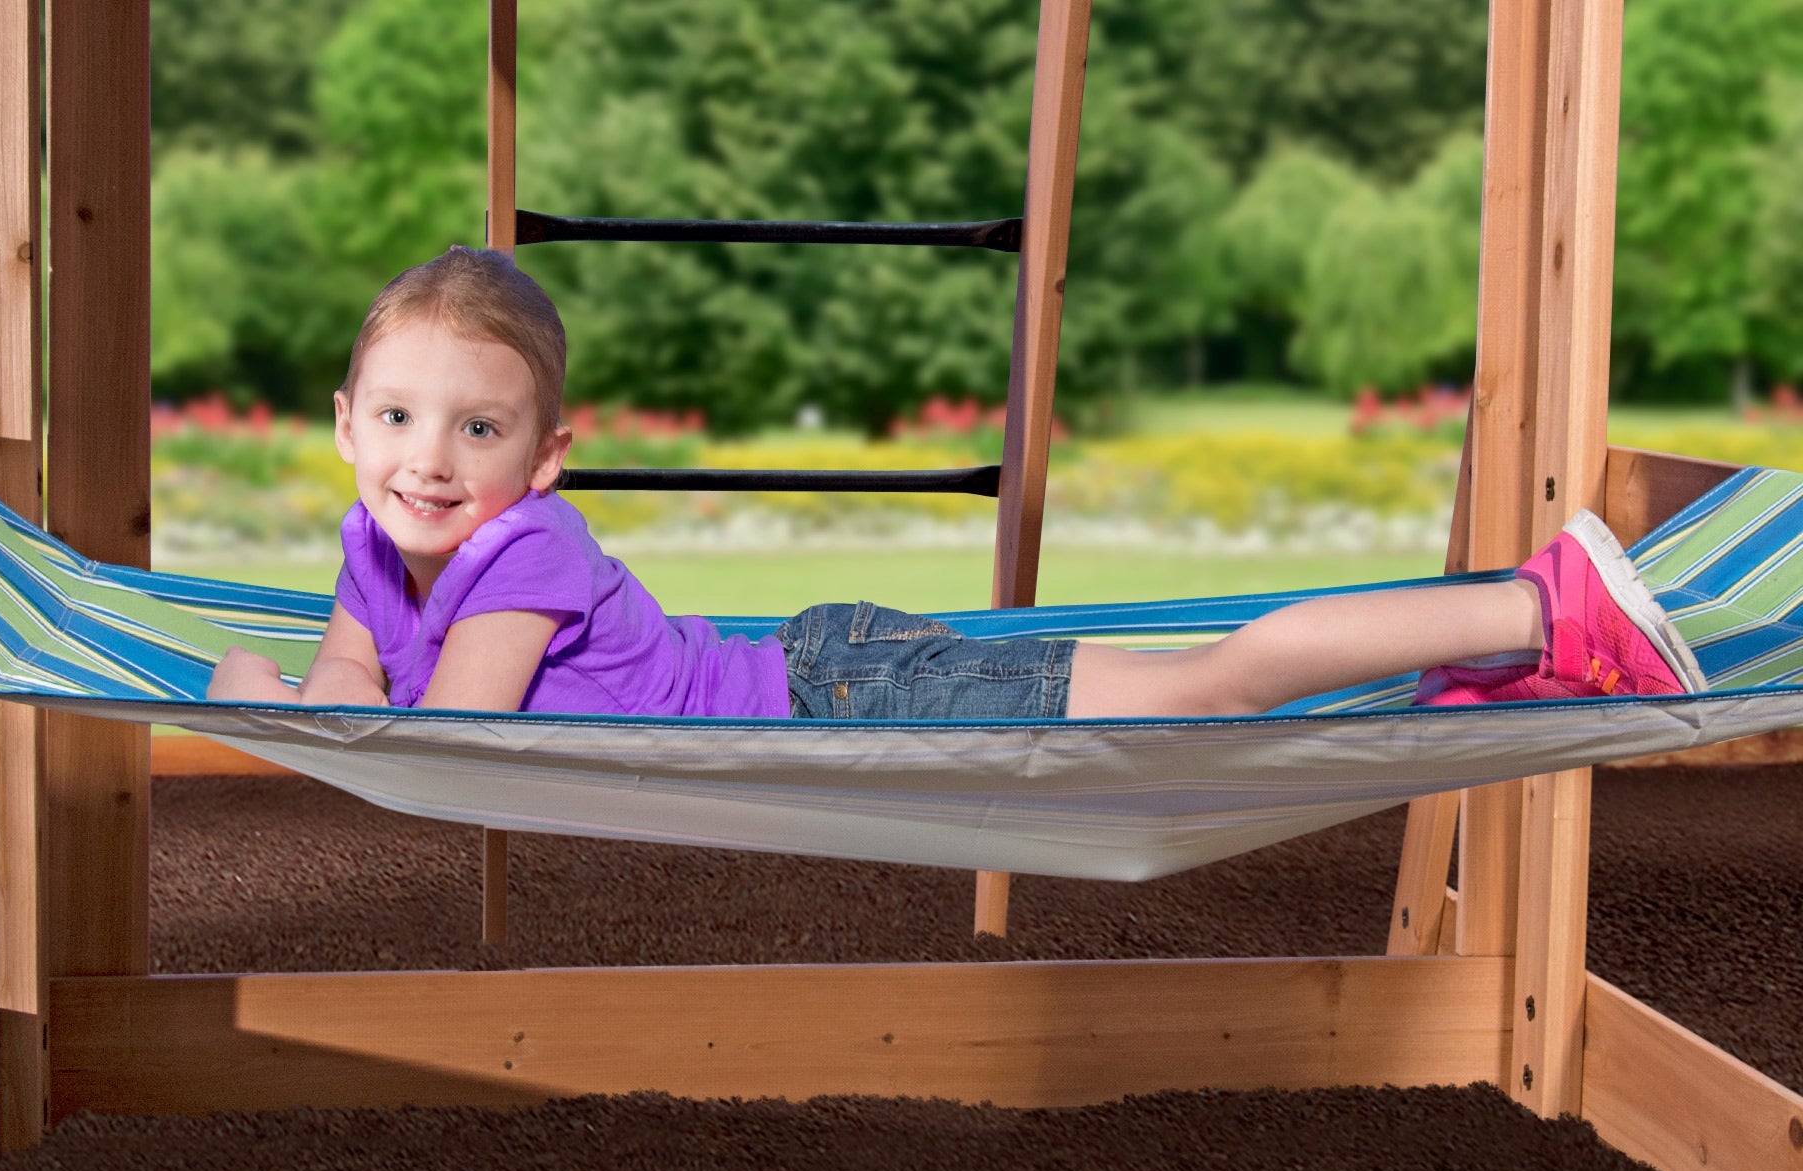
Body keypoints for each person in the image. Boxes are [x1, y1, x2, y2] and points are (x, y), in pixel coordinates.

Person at [206, 248, 1703, 722]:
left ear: (543, 460)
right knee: (1195, 685)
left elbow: (444, 731)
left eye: (477, 429)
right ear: (345, 426)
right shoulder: (373, 539)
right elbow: (356, 668)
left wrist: (256, 697)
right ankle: (1502, 644)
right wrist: (298, 685)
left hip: (845, 691)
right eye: (397, 416)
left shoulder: (525, 549)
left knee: (1208, 690)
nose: (428, 458)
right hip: (823, 665)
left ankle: (1536, 605)